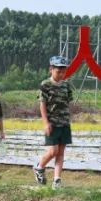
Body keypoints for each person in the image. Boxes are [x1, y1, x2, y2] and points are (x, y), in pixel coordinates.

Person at [34, 56, 73, 189]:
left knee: (61, 152)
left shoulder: (66, 85)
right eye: (58, 71)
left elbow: (68, 103)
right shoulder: (45, 85)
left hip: (64, 122)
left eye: (64, 71)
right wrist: (46, 122)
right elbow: (42, 104)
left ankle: (57, 180)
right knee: (53, 151)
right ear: (51, 69)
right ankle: (39, 167)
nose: (61, 74)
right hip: (52, 123)